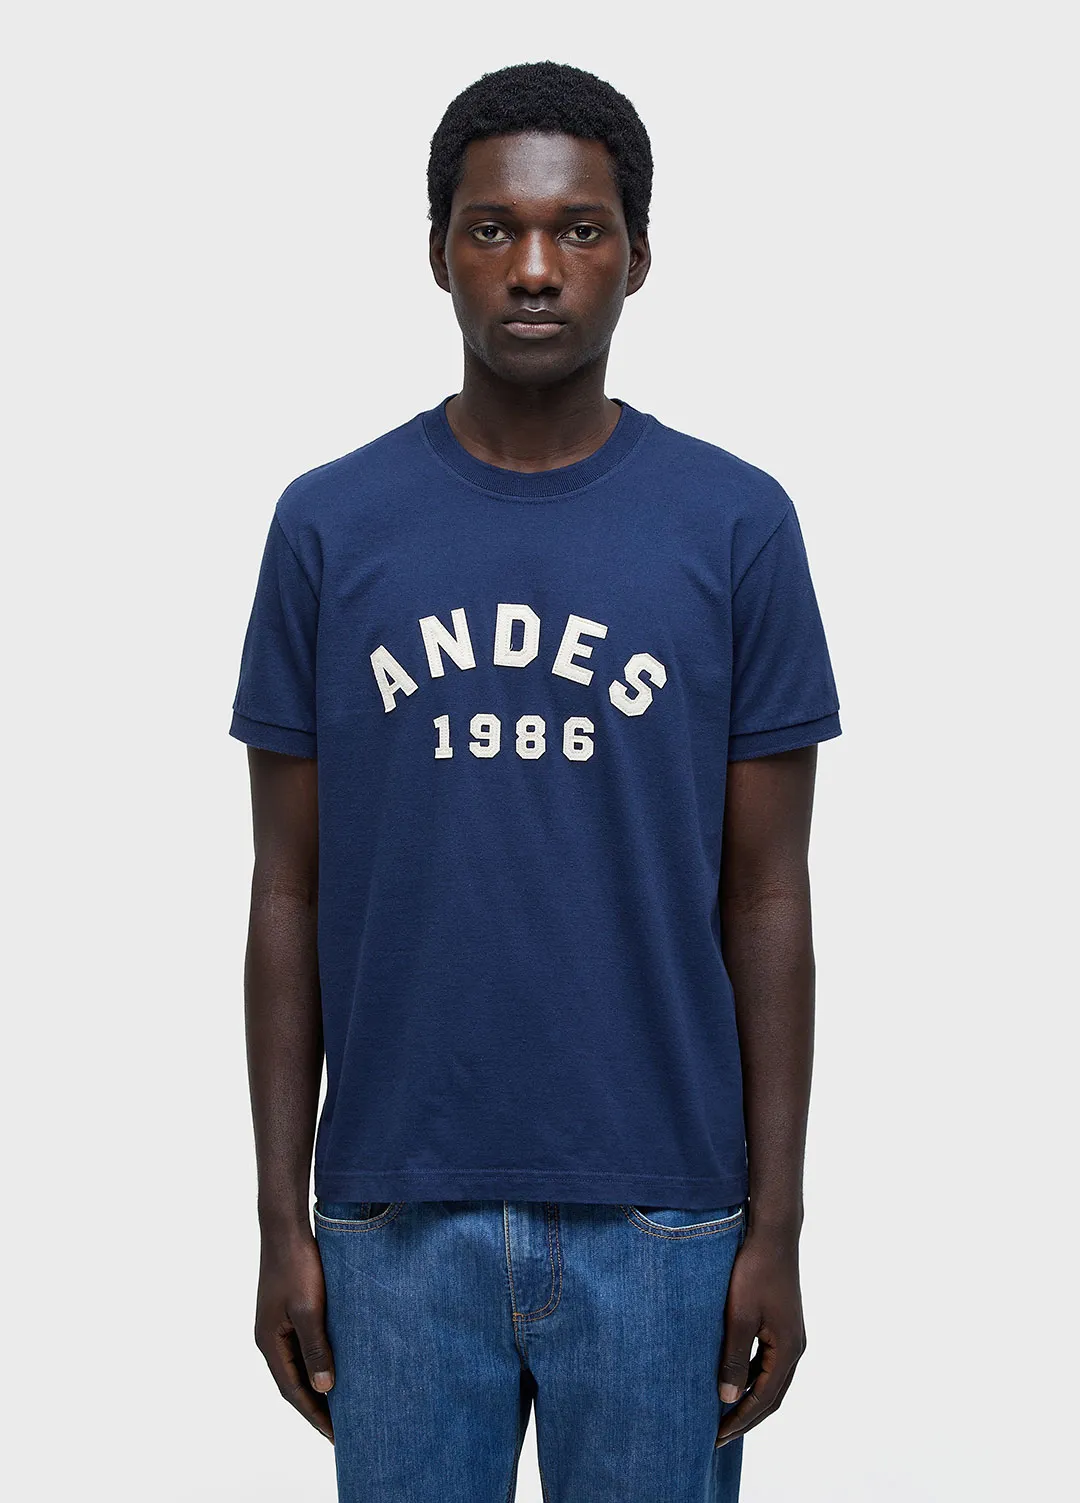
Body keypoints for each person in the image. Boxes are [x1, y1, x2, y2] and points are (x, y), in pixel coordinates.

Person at [229, 59, 841, 1503]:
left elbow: (769, 893)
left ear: (640, 254)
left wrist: (778, 1226)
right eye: (493, 228)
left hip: (666, 1216)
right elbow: (286, 891)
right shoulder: (329, 525)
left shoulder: (736, 525)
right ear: (438, 251)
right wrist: (279, 1220)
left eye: (580, 229)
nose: (535, 268)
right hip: (392, 1213)